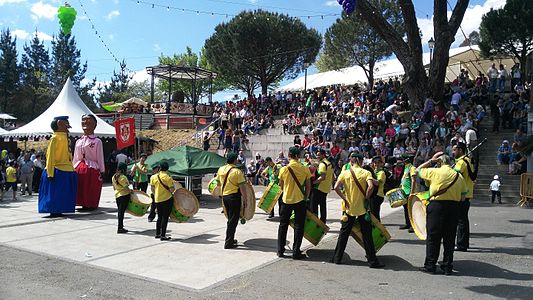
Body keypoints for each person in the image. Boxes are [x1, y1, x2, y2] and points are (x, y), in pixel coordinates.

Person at [417, 152, 467, 275]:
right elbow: (463, 198)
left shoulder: (435, 172)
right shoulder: (458, 176)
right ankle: (447, 266)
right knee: (449, 238)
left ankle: (430, 265)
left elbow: (418, 170)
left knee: (433, 237)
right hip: (453, 207)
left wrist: (431, 161)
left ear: (439, 163)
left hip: (437, 207)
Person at [331, 152, 384, 268]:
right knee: (367, 235)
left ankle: (337, 258)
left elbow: (335, 187)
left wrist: (345, 198)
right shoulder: (366, 172)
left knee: (343, 234)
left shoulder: (344, 173)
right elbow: (371, 186)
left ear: (351, 161)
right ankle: (372, 261)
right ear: (360, 161)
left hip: (349, 208)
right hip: (363, 208)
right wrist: (366, 197)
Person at [38, 116, 78, 218]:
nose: (68, 127)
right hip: (57, 170)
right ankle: (54, 210)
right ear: (60, 123)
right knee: (56, 193)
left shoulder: (65, 138)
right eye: (66, 124)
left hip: (65, 170)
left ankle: (59, 209)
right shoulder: (55, 138)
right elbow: (50, 156)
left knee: (61, 193)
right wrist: (50, 172)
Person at [277, 146, 311, 259]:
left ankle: (280, 250)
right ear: (297, 156)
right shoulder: (304, 168)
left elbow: (281, 186)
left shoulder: (283, 169)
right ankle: (296, 252)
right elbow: (308, 186)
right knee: (299, 226)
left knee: (283, 226)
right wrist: (306, 197)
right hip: (300, 200)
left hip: (286, 200)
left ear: (289, 156)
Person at [73, 114, 105, 211]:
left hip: (92, 168)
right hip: (79, 167)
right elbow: (76, 157)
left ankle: (90, 203)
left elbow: (99, 156)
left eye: (89, 120)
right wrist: (73, 168)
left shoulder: (97, 141)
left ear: (94, 125)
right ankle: (80, 202)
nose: (85, 122)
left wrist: (102, 170)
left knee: (90, 187)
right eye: (83, 120)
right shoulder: (78, 141)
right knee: (80, 186)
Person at [216, 152, 248, 249]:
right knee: (233, 221)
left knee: (230, 219)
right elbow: (242, 188)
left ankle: (230, 239)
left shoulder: (221, 169)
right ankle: (228, 242)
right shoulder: (237, 172)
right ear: (234, 160)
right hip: (234, 197)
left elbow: (218, 184)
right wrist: (245, 200)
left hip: (225, 197)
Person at [452, 142, 474, 252]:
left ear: (460, 150)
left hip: (462, 195)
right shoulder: (467, 160)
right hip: (467, 194)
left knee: (461, 220)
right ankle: (464, 243)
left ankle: (461, 244)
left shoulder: (461, 162)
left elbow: (453, 176)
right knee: (463, 220)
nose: (453, 152)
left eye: (454, 150)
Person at [150, 161, 175, 241]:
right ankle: (163, 235)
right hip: (167, 199)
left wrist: (156, 194)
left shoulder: (153, 177)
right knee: (165, 217)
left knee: (159, 217)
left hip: (157, 199)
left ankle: (157, 233)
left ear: (159, 168)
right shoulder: (168, 177)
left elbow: (152, 189)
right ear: (167, 168)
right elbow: (172, 189)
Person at [310, 149, 333, 223]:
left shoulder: (323, 164)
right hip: (326, 188)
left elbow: (323, 177)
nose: (317, 156)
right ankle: (323, 222)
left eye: (319, 155)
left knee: (314, 206)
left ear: (323, 155)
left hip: (319, 188)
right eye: (317, 154)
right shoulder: (329, 163)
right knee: (323, 206)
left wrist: (313, 182)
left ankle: (315, 222)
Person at [112, 162, 131, 234]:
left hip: (117, 196)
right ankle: (120, 227)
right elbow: (126, 187)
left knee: (120, 212)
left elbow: (114, 187)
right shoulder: (123, 177)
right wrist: (131, 192)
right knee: (121, 212)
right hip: (124, 196)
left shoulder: (113, 177)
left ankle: (121, 226)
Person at [399, 154, 416, 232]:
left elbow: (413, 180)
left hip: (409, 192)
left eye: (403, 159)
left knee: (411, 210)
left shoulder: (412, 168)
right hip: (404, 191)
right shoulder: (406, 167)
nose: (402, 161)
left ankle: (413, 226)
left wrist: (412, 192)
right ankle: (408, 224)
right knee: (406, 209)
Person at [371, 156, 386, 221]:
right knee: (373, 212)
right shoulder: (374, 171)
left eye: (378, 163)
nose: (376, 164)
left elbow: (377, 183)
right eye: (375, 163)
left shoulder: (381, 173)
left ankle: (378, 227)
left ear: (381, 164)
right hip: (373, 194)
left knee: (375, 213)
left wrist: (369, 178)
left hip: (378, 195)